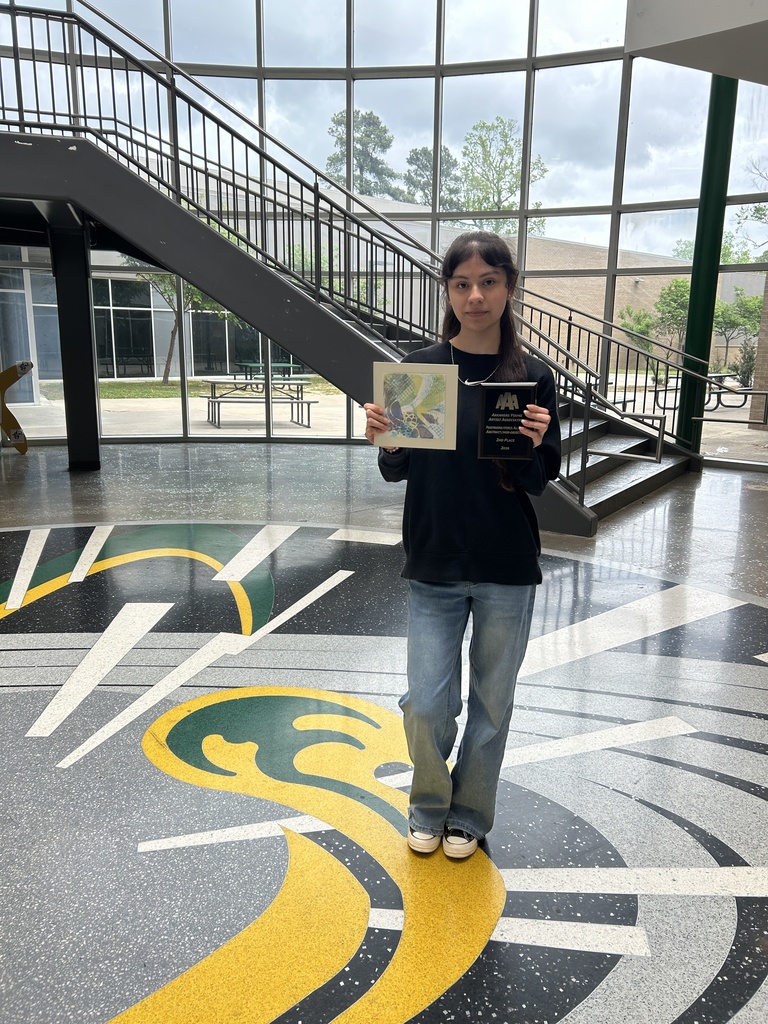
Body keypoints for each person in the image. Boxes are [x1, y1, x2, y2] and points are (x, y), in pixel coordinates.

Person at [364, 231, 561, 860]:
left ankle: (469, 816)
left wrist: (535, 445)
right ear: (447, 290)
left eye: (488, 282)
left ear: (508, 288)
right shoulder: (421, 371)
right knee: (426, 704)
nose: (475, 296)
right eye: (461, 284)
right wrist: (387, 442)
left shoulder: (531, 375)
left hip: (507, 564)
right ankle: (428, 804)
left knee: (491, 706)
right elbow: (400, 470)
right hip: (434, 562)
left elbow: (538, 479)